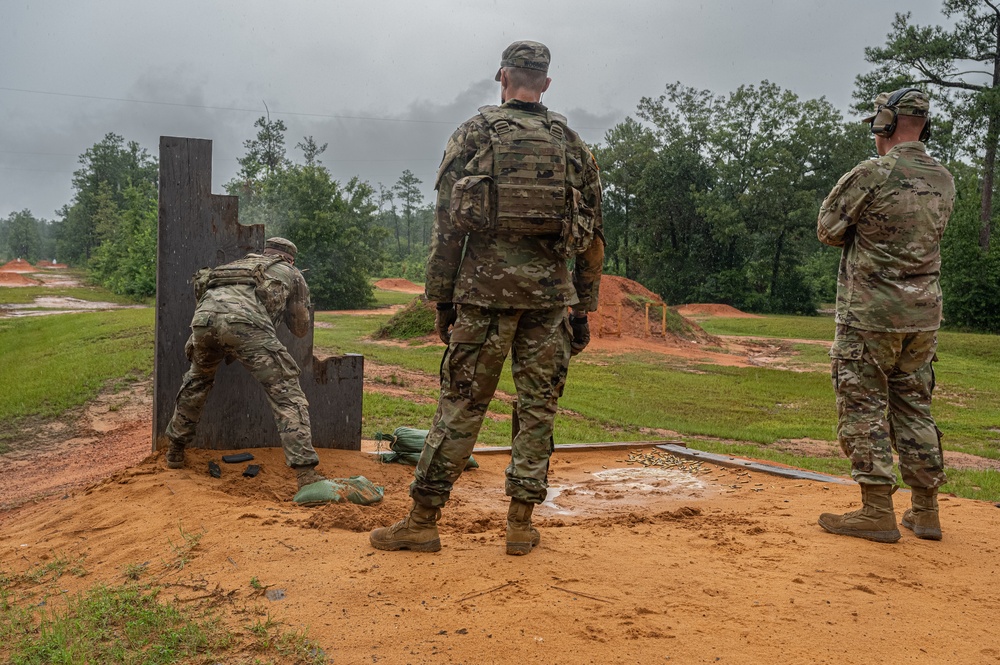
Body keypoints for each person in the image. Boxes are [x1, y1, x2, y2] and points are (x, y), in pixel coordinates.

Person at [370, 40, 604, 555]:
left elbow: (448, 227)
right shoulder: (572, 143)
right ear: (545, 83)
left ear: (502, 76)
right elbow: (592, 236)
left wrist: (442, 299)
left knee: (461, 404)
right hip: (549, 303)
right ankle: (520, 525)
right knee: (538, 408)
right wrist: (583, 307)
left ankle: (423, 521)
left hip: (482, 299)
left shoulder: (474, 134)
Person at [816, 88, 955, 543]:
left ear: (886, 123)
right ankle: (926, 511)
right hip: (922, 316)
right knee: (915, 407)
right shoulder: (944, 179)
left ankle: (876, 510)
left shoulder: (872, 173)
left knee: (862, 407)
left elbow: (828, 229)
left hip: (870, 315)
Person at [164, 237, 328, 491]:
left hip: (203, 323)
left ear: (266, 252)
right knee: (285, 392)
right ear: (290, 259)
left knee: (197, 380)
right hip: (245, 326)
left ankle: (175, 450)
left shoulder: (238, 265)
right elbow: (299, 328)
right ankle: (305, 473)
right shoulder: (291, 273)